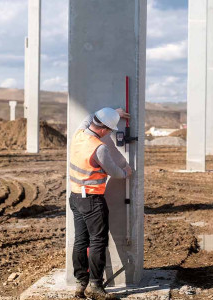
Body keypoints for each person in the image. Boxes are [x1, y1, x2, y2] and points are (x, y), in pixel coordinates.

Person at [69, 107, 132, 300]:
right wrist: (126, 172)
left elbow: (89, 117)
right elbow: (115, 172)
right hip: (92, 200)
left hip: (75, 197)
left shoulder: (79, 134)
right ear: (104, 130)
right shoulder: (99, 148)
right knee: (98, 241)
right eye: (110, 130)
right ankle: (95, 286)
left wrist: (115, 113)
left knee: (81, 240)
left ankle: (81, 283)